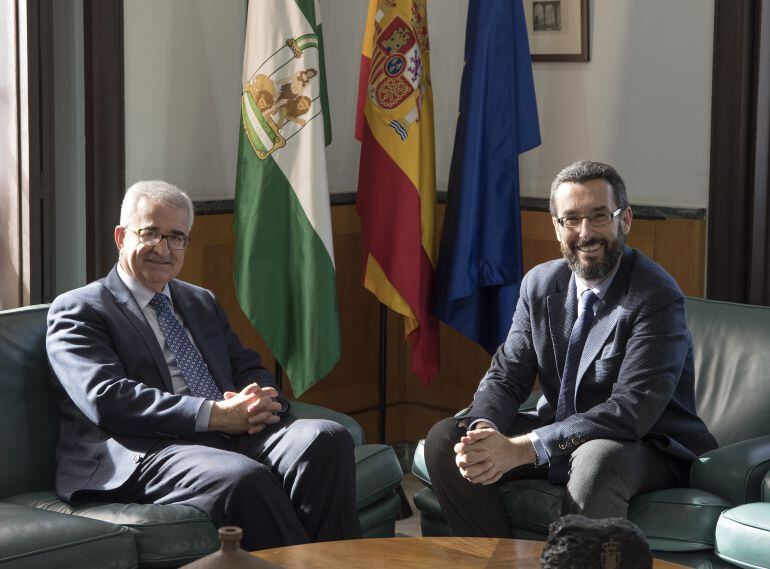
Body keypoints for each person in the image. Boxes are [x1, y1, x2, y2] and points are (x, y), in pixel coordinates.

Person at [46, 180, 362, 550]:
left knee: (326, 437)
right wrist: (215, 414)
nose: (164, 249)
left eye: (177, 236)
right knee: (242, 477)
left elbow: (246, 365)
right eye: (150, 233)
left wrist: (261, 399)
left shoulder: (200, 300)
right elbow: (108, 398)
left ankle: (333, 561)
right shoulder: (80, 309)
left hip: (227, 433)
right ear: (121, 237)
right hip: (143, 450)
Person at [424, 160, 717, 536]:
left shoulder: (656, 295)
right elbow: (507, 374)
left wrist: (525, 448)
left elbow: (629, 412)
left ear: (624, 220)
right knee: (447, 440)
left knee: (596, 459)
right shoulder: (541, 284)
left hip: (647, 444)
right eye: (571, 219)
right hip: (561, 432)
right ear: (556, 226)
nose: (585, 233)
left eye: (598, 216)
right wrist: (485, 432)